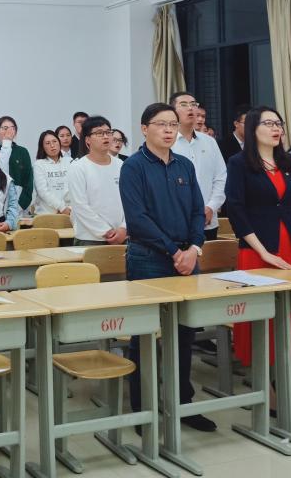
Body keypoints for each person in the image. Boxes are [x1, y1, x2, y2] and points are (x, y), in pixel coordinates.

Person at [121, 103, 215, 432]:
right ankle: (143, 409)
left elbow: (197, 211)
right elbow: (137, 218)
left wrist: (194, 248)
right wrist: (175, 250)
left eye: (173, 124)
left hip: (186, 257)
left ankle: (182, 404)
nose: (168, 130)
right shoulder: (133, 167)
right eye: (161, 124)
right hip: (148, 257)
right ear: (144, 128)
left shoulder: (184, 165)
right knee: (145, 335)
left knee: (184, 333)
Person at [226, 106, 291, 403]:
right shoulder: (239, 163)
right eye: (268, 123)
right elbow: (236, 209)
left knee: (289, 315)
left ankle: (284, 379)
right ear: (253, 129)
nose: (276, 128)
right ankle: (266, 385)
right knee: (263, 318)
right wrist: (263, 252)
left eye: (279, 123)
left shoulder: (288, 162)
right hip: (258, 250)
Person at [170, 91, 227, 241]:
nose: (190, 108)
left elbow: (221, 177)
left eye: (193, 104)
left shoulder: (210, 142)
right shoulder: (168, 143)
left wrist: (211, 207)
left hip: (208, 222)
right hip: (177, 223)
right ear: (172, 111)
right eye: (184, 104)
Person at [66, 116, 127, 246]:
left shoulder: (121, 165)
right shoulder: (78, 167)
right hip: (90, 238)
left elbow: (130, 200)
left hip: (121, 236)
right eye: (99, 133)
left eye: (108, 132)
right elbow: (80, 206)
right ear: (87, 139)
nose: (106, 136)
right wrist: (106, 231)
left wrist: (124, 228)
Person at [0, 116, 34, 214]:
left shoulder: (22, 151)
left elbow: (28, 181)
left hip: (18, 204)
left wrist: (20, 205)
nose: (9, 131)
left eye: (12, 128)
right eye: (5, 128)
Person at [32, 130, 72, 216]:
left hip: (70, 212)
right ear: (42, 147)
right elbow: (43, 191)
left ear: (59, 143)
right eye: (47, 143)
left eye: (54, 141)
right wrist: (62, 208)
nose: (52, 145)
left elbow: (75, 187)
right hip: (46, 214)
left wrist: (69, 208)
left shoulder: (69, 161)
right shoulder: (39, 164)